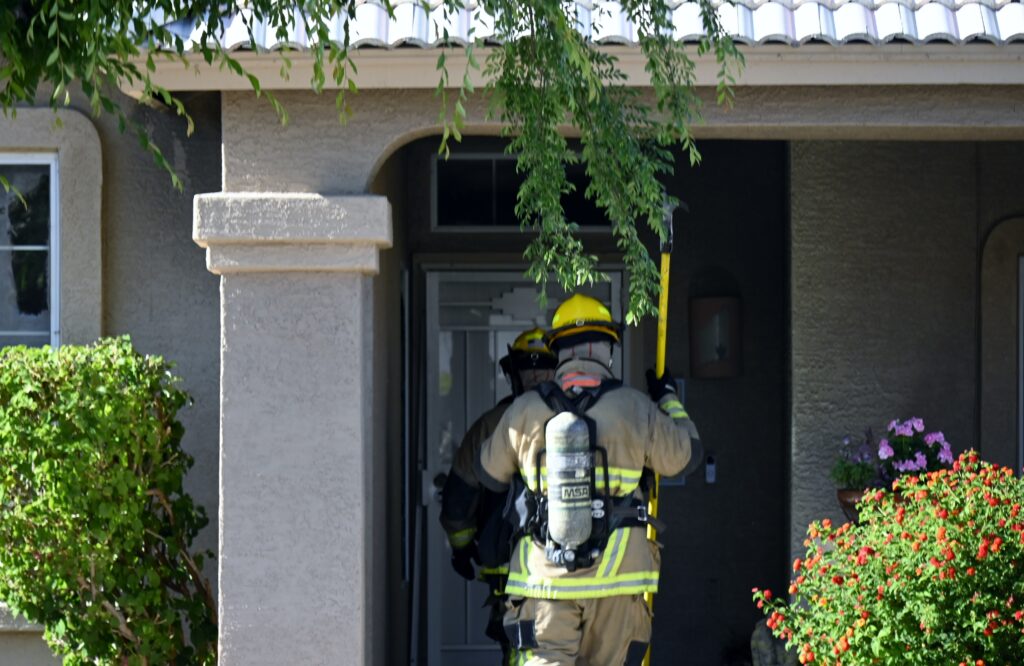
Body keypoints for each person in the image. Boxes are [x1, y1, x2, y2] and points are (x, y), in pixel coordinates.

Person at [475, 293, 702, 666]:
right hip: (618, 580)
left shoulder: (524, 409)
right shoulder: (635, 407)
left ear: (558, 352)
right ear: (607, 350)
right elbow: (686, 456)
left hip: (545, 580)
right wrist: (667, 400)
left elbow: (488, 474)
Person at [439, 327, 557, 665]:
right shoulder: (579, 420)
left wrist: (463, 549)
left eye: (541, 368)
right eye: (529, 369)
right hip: (559, 565)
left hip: (512, 564)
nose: (535, 376)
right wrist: (463, 546)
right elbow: (459, 494)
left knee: (521, 644)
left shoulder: (493, 424)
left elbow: (458, 499)